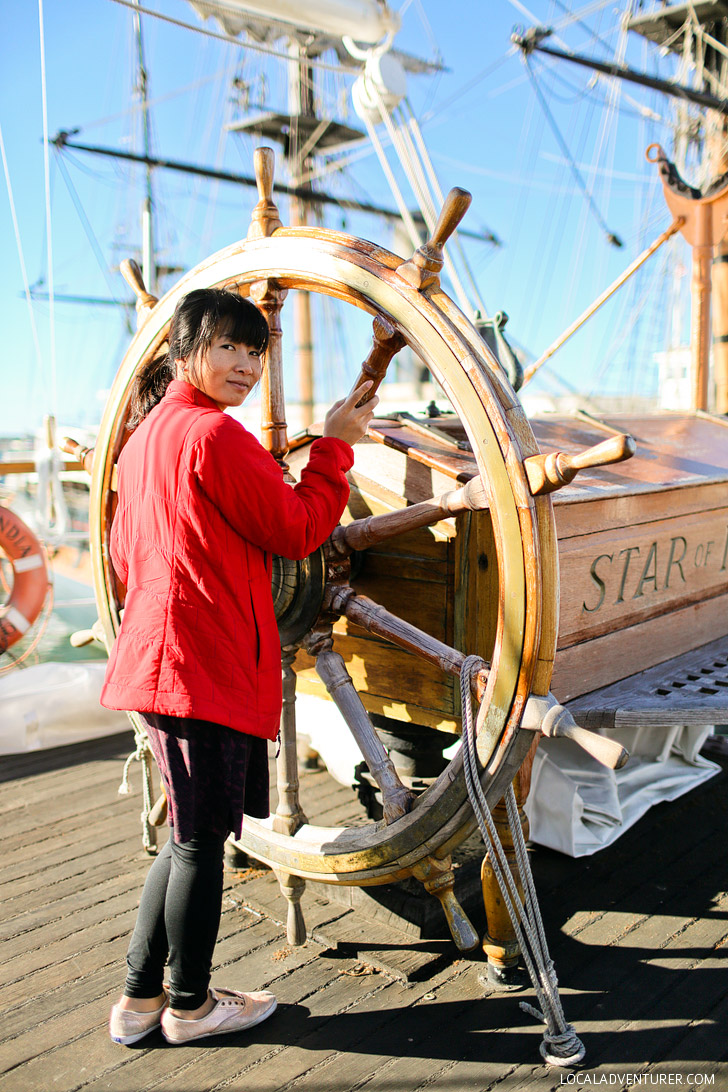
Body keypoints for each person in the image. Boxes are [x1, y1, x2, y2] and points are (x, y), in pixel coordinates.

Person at [102, 287, 377, 1046]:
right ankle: (190, 1007)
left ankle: (139, 1001)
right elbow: (296, 530)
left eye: (256, 351)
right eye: (228, 346)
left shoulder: (147, 437)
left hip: (162, 660)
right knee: (198, 842)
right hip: (203, 663)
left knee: (189, 831)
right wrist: (334, 447)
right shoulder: (213, 437)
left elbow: (126, 556)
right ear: (185, 349)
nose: (246, 365)